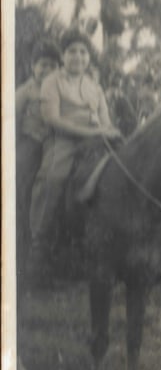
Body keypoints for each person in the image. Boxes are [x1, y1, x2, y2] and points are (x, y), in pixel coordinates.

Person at [28, 28, 121, 276]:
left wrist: (108, 133)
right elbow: (52, 119)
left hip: (95, 140)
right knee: (52, 179)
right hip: (63, 140)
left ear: (88, 57)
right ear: (63, 55)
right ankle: (39, 243)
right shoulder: (52, 81)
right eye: (71, 52)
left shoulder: (94, 87)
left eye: (82, 52)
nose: (77, 57)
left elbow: (106, 121)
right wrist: (90, 132)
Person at [16, 39, 62, 247]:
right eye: (43, 64)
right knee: (23, 178)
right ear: (33, 65)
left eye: (53, 66)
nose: (47, 69)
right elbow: (13, 119)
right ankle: (22, 231)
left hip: (53, 143)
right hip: (30, 142)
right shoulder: (26, 91)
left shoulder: (58, 90)